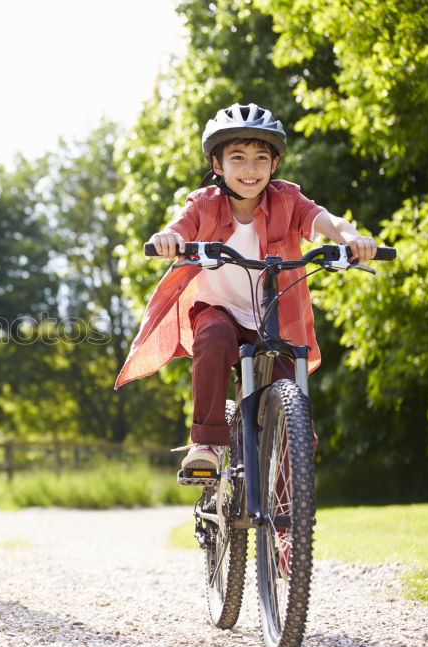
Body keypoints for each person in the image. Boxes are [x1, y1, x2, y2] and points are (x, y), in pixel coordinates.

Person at [114, 102, 378, 478]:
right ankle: (205, 443)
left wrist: (353, 238)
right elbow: (180, 228)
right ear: (218, 165)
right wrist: (168, 240)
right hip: (219, 311)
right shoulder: (204, 204)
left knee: (292, 407)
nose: (250, 169)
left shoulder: (287, 199)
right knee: (214, 335)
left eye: (260, 158)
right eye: (237, 157)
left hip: (274, 319)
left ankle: (288, 517)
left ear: (275, 164)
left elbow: (325, 220)